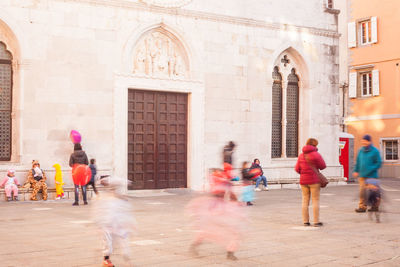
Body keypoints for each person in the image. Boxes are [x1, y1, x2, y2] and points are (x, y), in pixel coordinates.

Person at [92, 177, 135, 267]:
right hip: (107, 226)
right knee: (108, 244)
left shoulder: (122, 200)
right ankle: (106, 260)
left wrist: (130, 224)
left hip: (119, 226)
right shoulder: (103, 199)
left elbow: (126, 213)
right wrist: (99, 224)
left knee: (124, 243)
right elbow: (98, 213)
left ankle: (128, 261)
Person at [295, 138, 326, 227]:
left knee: (305, 200)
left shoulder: (301, 155)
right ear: (315, 145)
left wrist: (304, 173)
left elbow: (297, 169)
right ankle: (316, 221)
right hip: (314, 181)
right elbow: (323, 166)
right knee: (315, 200)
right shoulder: (316, 154)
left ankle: (305, 221)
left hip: (303, 181)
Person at [353, 134, 382, 213]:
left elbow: (378, 163)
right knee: (362, 192)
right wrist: (356, 170)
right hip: (362, 175)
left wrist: (370, 169)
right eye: (362, 141)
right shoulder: (360, 150)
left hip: (372, 176)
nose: (363, 142)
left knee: (373, 192)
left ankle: (375, 206)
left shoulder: (375, 151)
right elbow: (358, 162)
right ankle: (362, 207)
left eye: (365, 141)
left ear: (369, 141)